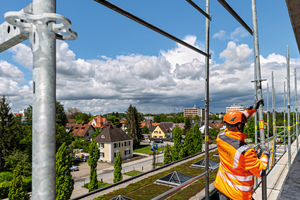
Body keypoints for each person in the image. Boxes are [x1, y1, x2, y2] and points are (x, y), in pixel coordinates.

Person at [215, 99, 269, 200]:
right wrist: (265, 154)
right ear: (240, 125)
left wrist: (252, 109)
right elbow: (261, 171)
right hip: (239, 195)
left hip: (223, 188)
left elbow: (238, 118)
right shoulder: (245, 152)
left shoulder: (220, 137)